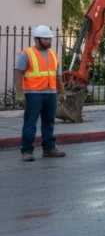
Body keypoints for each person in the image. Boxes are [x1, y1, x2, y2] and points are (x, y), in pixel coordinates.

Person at [14, 25, 66, 161]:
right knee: (30, 123)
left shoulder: (53, 54)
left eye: (50, 39)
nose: (49, 41)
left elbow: (57, 75)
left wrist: (62, 91)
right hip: (33, 94)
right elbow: (18, 72)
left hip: (51, 93)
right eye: (46, 39)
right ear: (37, 39)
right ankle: (26, 151)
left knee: (49, 122)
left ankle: (48, 149)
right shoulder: (26, 54)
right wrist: (19, 93)